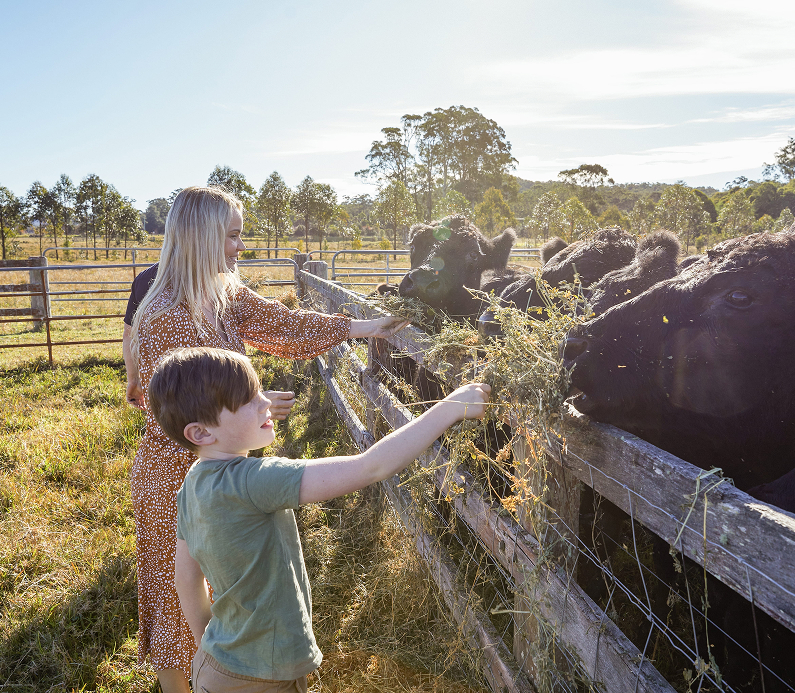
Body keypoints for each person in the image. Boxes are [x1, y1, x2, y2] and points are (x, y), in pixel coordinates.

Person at [127, 186, 406, 693]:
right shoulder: (166, 315)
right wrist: (244, 418)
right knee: (180, 594)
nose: (240, 247)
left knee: (233, 586)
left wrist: (363, 326)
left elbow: (280, 323)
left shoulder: (223, 291)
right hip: (177, 472)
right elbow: (175, 411)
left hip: (218, 456)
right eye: (232, 236)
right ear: (202, 237)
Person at [145, 346, 491, 692]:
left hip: (216, 665)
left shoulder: (192, 482)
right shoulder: (255, 479)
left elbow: (185, 578)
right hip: (267, 676)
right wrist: (450, 407)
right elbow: (371, 466)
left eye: (259, 390)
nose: (265, 402)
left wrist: (208, 639)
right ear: (202, 433)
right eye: (248, 399)